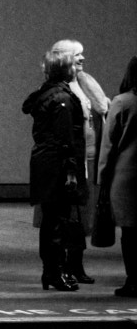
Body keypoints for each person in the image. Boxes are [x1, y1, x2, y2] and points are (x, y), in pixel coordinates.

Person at [23, 45, 88, 292]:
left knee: (52, 219)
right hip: (57, 164)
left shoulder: (46, 94)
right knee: (57, 220)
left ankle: (51, 271)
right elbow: (65, 138)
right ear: (64, 70)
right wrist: (72, 171)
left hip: (45, 161)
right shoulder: (62, 98)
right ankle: (54, 272)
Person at [50, 38, 112, 284]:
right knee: (70, 217)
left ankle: (76, 264)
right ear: (64, 58)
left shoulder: (84, 83)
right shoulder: (60, 88)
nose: (83, 59)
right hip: (70, 163)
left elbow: (102, 108)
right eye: (78, 55)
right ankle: (63, 266)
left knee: (82, 216)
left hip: (88, 159)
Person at [90, 56, 137, 299]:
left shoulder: (123, 102)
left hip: (127, 177)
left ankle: (134, 280)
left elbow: (109, 147)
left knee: (130, 233)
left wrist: (102, 180)